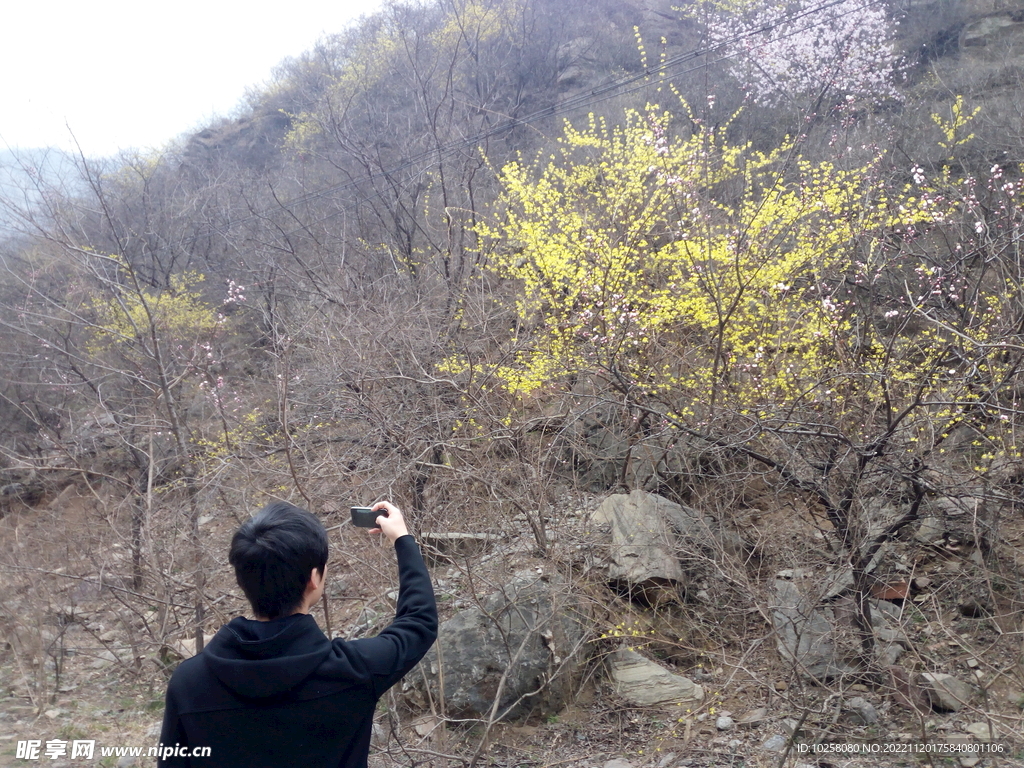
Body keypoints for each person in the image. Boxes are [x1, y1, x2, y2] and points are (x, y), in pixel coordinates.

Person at [158, 500, 437, 767]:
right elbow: (419, 621)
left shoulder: (189, 682)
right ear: (314, 579)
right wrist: (402, 538)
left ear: (242, 580)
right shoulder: (354, 671)